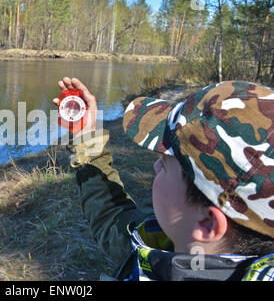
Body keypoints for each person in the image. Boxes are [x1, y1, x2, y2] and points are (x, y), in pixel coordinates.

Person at [53, 78, 274, 281]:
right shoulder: (164, 241)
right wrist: (86, 139)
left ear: (208, 223)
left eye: (167, 163)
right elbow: (112, 218)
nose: (156, 166)